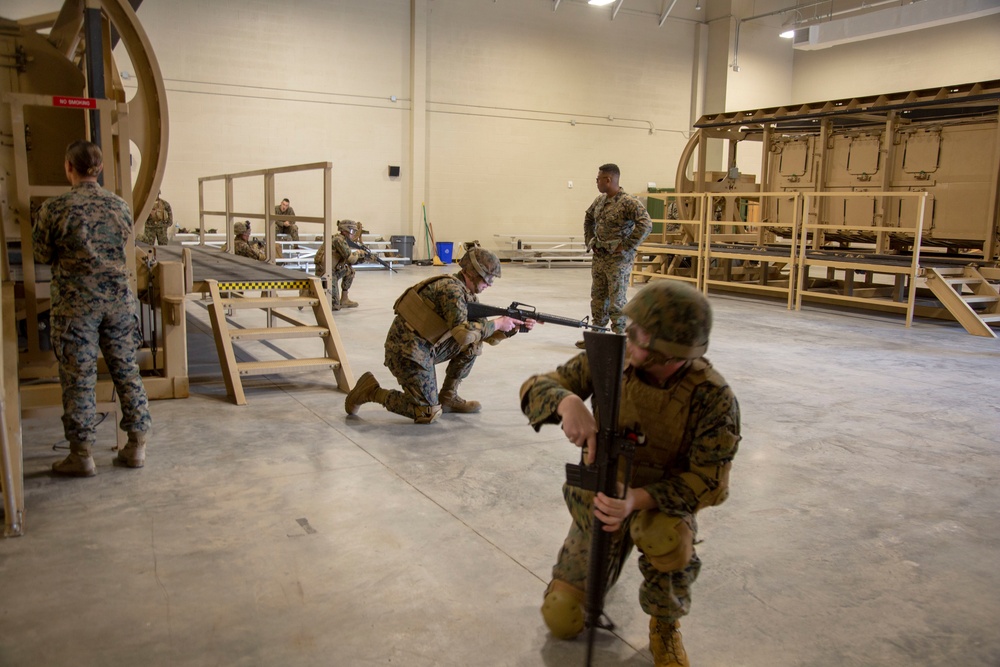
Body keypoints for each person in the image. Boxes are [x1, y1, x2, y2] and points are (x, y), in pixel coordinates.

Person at [519, 281, 741, 666]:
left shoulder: (712, 397)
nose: (629, 339)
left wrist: (637, 499)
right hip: (603, 495)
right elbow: (537, 386)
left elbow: (710, 482)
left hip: (659, 502)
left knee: (665, 540)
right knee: (561, 616)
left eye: (640, 336)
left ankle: (665, 624)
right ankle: (601, 569)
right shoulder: (614, 360)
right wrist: (566, 402)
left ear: (669, 354)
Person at [33, 140, 152, 477]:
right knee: (126, 370)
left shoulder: (54, 209)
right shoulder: (120, 206)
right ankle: (137, 444)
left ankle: (82, 454)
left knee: (78, 377)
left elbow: (41, 254)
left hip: (75, 306)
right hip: (117, 301)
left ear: (68, 167)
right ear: (98, 169)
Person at [345, 247, 536, 424]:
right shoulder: (451, 290)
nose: (489, 284)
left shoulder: (466, 294)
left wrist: (511, 327)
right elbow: (464, 336)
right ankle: (371, 391)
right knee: (427, 413)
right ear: (472, 273)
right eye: (487, 278)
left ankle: (448, 397)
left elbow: (486, 337)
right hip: (405, 351)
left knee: (474, 341)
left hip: (426, 346)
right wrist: (497, 323)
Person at [580, 163, 652, 348]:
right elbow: (588, 219)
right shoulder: (600, 201)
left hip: (618, 260)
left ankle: (620, 338)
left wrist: (627, 245)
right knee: (598, 298)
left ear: (608, 179)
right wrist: (590, 240)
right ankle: (597, 334)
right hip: (600, 257)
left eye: (598, 179)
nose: (596, 182)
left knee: (617, 300)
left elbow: (646, 224)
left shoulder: (628, 202)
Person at [315, 219, 365, 310]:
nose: (353, 234)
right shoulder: (339, 240)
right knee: (334, 306)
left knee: (350, 271)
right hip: (326, 273)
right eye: (352, 231)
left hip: (332, 270)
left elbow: (348, 261)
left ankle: (344, 299)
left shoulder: (340, 239)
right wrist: (359, 253)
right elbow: (351, 259)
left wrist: (363, 258)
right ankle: (308, 292)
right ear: (345, 230)